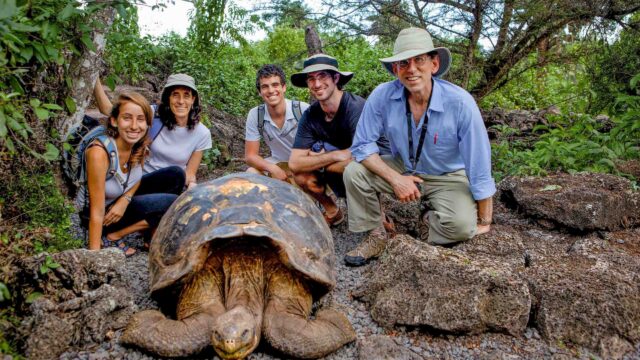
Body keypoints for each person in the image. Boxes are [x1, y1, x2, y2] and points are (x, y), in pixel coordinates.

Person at [343, 27, 496, 266]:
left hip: (447, 174)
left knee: (463, 227)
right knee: (354, 172)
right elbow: (362, 146)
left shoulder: (460, 102)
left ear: (434, 64)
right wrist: (396, 179)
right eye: (404, 63)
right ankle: (376, 236)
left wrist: (485, 220)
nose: (411, 69)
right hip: (404, 166)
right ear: (396, 69)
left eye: (419, 60)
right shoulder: (382, 96)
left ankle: (427, 224)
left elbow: (478, 161)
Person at [288, 54, 390, 227]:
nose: (317, 84)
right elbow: (295, 163)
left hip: (379, 162)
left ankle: (379, 217)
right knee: (301, 176)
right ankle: (333, 212)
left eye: (322, 76)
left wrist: (319, 159)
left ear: (335, 78)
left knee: (353, 167)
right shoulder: (311, 114)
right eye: (311, 79)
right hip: (341, 160)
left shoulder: (355, 107)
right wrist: (335, 155)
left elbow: (364, 155)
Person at [78, 92, 185, 256]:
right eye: (127, 118)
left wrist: (125, 200)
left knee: (175, 174)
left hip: (118, 204)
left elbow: (134, 180)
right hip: (102, 216)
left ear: (148, 124)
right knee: (173, 203)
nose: (135, 126)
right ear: (114, 121)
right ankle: (112, 236)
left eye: (141, 119)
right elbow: (96, 211)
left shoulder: (137, 144)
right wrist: (94, 257)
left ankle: (151, 235)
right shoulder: (99, 153)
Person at [94, 74, 212, 190]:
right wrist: (93, 76)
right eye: (175, 95)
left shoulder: (202, 133)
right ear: (168, 98)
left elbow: (190, 174)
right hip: (139, 183)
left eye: (186, 95)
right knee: (176, 173)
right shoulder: (153, 115)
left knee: (177, 177)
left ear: (193, 99)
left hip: (172, 186)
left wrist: (192, 187)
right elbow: (109, 110)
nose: (181, 101)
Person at [245, 64, 309, 181]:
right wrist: (272, 168)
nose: (270, 90)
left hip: (305, 164)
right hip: (277, 163)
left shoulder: (302, 110)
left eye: (275, 85)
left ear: (284, 87)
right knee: (251, 173)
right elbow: (250, 156)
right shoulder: (256, 115)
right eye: (265, 87)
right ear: (259, 91)